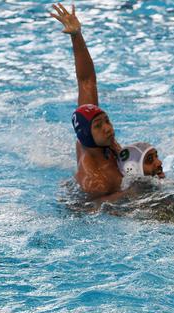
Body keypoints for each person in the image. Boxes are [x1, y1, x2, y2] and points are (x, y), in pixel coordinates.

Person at [51, 4, 163, 201]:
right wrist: (138, 190)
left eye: (107, 120)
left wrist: (76, 35)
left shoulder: (100, 142)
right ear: (87, 133)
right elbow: (96, 210)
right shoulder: (95, 181)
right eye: (98, 125)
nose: (107, 128)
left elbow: (86, 80)